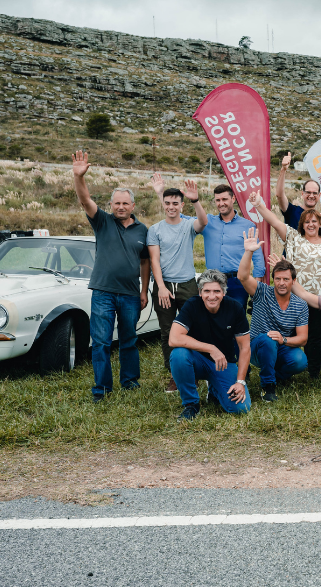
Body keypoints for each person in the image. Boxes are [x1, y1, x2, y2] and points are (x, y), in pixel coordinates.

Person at [71, 151, 149, 402]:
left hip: (129, 294)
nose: (121, 207)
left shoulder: (143, 230)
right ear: (111, 205)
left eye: (125, 203)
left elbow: (145, 261)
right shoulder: (102, 221)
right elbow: (85, 201)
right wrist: (78, 176)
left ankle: (130, 382)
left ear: (133, 206)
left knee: (129, 340)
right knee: (102, 343)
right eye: (116, 203)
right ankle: (102, 389)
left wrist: (144, 290)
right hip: (103, 292)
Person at [249, 191, 321, 380]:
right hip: (293, 299)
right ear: (302, 224)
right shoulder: (293, 238)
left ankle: (313, 372)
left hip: (320, 300)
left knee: (314, 338)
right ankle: (285, 371)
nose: (310, 224)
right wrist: (259, 204)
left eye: (314, 221)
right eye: (307, 222)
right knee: (288, 336)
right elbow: (274, 221)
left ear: (320, 224)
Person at [147, 174, 209, 392]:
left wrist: (196, 200)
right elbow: (154, 259)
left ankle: (197, 371)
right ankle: (175, 374)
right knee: (167, 332)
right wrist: (161, 287)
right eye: (167, 203)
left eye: (175, 203)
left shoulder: (188, 224)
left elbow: (203, 222)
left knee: (194, 328)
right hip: (164, 286)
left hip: (187, 285)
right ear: (163, 204)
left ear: (182, 205)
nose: (171, 207)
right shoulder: (155, 230)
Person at [167, 269, 251, 420]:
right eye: (207, 291)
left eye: (216, 291)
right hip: (197, 360)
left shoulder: (235, 308)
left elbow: (245, 347)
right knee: (178, 354)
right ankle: (191, 404)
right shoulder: (192, 305)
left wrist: (240, 382)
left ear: (224, 292)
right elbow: (173, 338)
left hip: (224, 363)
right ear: (200, 292)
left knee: (241, 408)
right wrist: (210, 348)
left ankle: (214, 389)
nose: (211, 296)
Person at [238, 228, 309, 403]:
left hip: (280, 345)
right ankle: (268, 387)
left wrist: (283, 339)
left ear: (293, 281)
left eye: (286, 279)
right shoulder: (262, 292)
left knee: (300, 360)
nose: (281, 283)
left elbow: (302, 339)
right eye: (278, 279)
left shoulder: (300, 304)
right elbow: (242, 276)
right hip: (257, 346)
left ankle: (274, 374)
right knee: (268, 340)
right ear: (273, 279)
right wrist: (248, 252)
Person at [200, 183, 265, 303]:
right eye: (217, 200)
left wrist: (256, 287)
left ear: (233, 199)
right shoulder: (207, 222)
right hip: (212, 281)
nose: (221, 203)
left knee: (236, 318)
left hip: (237, 282)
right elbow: (182, 220)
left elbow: (257, 257)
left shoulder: (247, 225)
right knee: (212, 319)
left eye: (224, 199)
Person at [274, 152, 321, 230]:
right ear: (302, 194)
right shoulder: (292, 211)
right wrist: (283, 170)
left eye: (314, 193)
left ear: (319, 196)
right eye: (308, 192)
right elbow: (279, 195)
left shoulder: (320, 218)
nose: (311, 196)